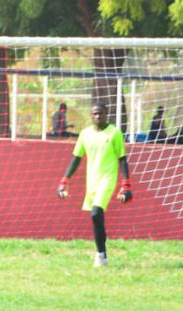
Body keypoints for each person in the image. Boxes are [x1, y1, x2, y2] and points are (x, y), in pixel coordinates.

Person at [56, 104, 132, 267]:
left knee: (96, 214)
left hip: (107, 179)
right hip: (92, 182)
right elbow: (76, 158)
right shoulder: (85, 134)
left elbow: (122, 158)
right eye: (94, 114)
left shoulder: (114, 133)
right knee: (97, 218)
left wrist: (126, 184)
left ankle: (100, 255)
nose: (97, 116)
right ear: (91, 116)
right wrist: (64, 180)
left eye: (101, 113)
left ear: (106, 114)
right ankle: (102, 254)